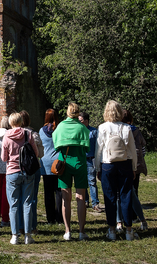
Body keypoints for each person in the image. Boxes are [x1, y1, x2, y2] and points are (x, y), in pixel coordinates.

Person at [94, 99, 138, 241]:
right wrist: (134, 167)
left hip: (108, 164)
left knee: (110, 198)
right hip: (125, 163)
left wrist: (97, 167)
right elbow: (132, 150)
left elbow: (98, 149)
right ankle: (129, 231)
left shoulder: (102, 128)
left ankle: (112, 230)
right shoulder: (126, 128)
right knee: (126, 196)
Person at [53, 103, 90, 241]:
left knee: (65, 198)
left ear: (68, 112)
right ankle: (81, 231)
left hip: (64, 162)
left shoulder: (61, 126)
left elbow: (56, 145)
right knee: (80, 197)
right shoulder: (82, 127)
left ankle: (67, 231)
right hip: (79, 162)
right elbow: (87, 147)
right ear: (78, 112)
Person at [1, 111, 39, 245]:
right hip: (27, 171)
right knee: (27, 203)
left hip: (12, 172)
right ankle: (28, 235)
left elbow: (3, 157)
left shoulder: (6, 136)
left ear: (11, 123)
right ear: (21, 122)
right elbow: (36, 152)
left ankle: (14, 235)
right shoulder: (28, 134)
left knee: (14, 205)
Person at [121, 110, 148, 232]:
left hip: (124, 162)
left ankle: (124, 216)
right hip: (137, 164)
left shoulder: (120, 130)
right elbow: (143, 145)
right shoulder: (136, 130)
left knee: (123, 192)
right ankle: (134, 215)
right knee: (134, 190)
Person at [20, 110, 44, 233]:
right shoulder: (33, 134)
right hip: (33, 168)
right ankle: (32, 226)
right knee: (32, 198)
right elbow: (40, 153)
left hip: (19, 168)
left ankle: (20, 225)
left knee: (19, 198)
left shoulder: (14, 134)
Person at [39, 108, 62, 225]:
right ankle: (59, 218)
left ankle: (50, 218)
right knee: (59, 192)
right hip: (58, 162)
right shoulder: (59, 129)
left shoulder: (41, 131)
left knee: (48, 192)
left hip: (46, 163)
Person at [78, 112, 101, 212]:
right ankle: (85, 200)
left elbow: (98, 147)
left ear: (86, 121)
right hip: (81, 159)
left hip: (91, 159)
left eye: (80, 121)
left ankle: (95, 203)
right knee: (83, 182)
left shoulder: (94, 131)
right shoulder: (78, 131)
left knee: (92, 181)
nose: (79, 122)